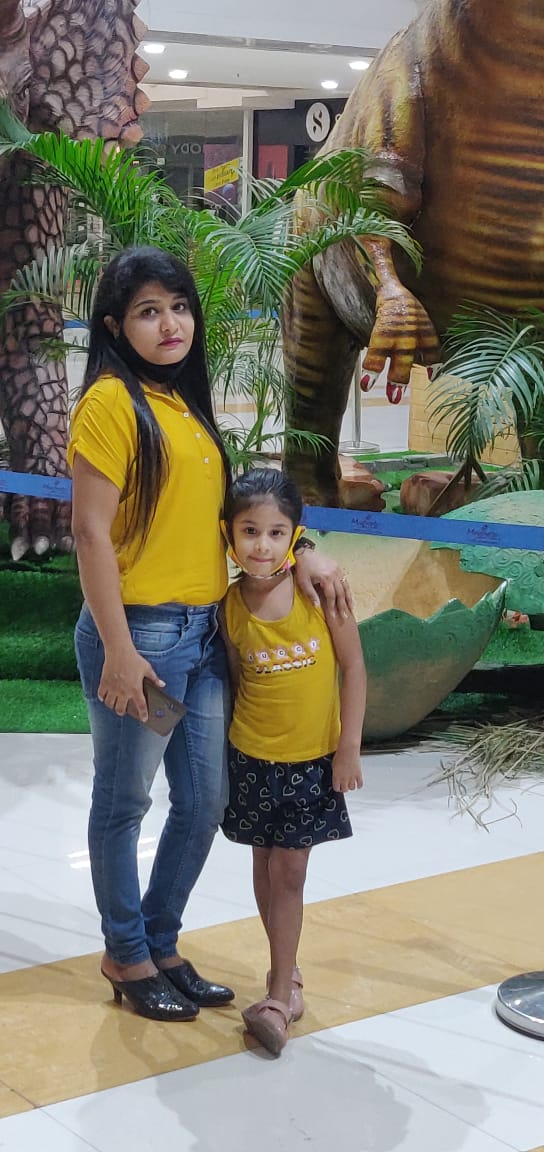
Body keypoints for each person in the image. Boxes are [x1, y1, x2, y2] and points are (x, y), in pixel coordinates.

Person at [68, 245, 352, 1022]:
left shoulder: (181, 404)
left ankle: (161, 943)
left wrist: (302, 547)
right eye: (148, 311)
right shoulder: (110, 404)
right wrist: (119, 650)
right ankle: (126, 953)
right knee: (125, 801)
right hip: (144, 643)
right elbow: (90, 534)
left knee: (202, 801)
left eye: (179, 307)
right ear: (115, 327)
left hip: (200, 642)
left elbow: (238, 517)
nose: (171, 324)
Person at [220, 468, 366, 1055]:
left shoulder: (320, 593)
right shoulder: (229, 606)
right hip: (253, 759)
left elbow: (354, 668)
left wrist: (348, 748)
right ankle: (288, 971)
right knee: (265, 867)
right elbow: (238, 684)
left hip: (311, 763)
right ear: (229, 534)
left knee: (291, 873)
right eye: (249, 531)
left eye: (277, 533)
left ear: (295, 535)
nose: (262, 545)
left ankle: (279, 999)